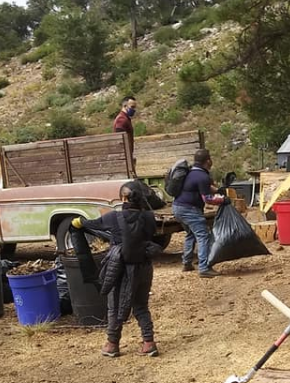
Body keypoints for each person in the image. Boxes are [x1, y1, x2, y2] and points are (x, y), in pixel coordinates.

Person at [72, 181, 159, 358]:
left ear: (123, 198)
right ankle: (149, 343)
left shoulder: (114, 217)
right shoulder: (149, 217)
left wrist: (79, 222)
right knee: (141, 305)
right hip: (144, 266)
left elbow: (93, 224)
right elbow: (150, 235)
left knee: (114, 306)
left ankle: (112, 344)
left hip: (121, 268)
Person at [172, 148, 225, 278]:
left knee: (191, 234)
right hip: (189, 209)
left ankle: (187, 262)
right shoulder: (203, 176)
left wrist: (218, 190)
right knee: (203, 236)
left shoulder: (190, 172)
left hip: (177, 207)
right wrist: (223, 200)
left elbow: (202, 187)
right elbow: (207, 199)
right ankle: (204, 267)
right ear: (208, 161)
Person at [114, 95, 137, 173]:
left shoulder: (126, 119)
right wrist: (127, 158)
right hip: (125, 158)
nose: (134, 110)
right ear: (125, 106)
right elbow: (120, 140)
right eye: (132, 107)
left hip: (127, 156)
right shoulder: (122, 119)